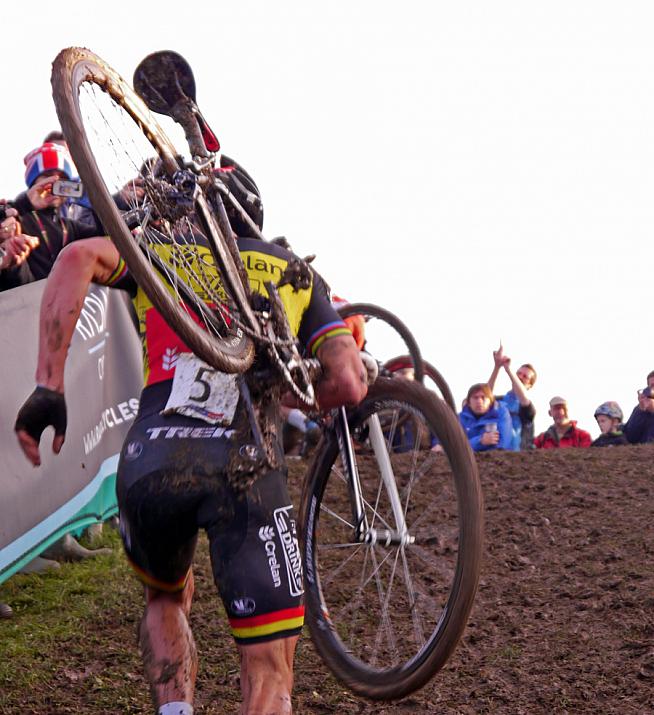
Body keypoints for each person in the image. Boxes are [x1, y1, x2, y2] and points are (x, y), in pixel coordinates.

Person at [14, 216, 367, 713]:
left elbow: (74, 257)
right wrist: (282, 394)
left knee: (165, 597)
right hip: (246, 465)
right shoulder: (291, 270)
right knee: (270, 669)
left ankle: (174, 709)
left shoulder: (161, 250)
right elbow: (348, 382)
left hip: (153, 459)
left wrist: (49, 386)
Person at [0, 142, 98, 291]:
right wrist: (27, 202)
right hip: (20, 299)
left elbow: (107, 234)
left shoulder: (70, 227)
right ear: (33, 182)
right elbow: (4, 215)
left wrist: (94, 201)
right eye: (47, 176)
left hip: (66, 301)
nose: (54, 182)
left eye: (62, 178)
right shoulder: (16, 211)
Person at [487, 343, 537, 450]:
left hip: (519, 460)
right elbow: (484, 396)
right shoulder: (499, 401)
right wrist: (497, 367)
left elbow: (524, 400)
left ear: (529, 385)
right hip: (496, 456)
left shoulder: (528, 410)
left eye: (525, 376)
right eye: (518, 373)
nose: (520, 377)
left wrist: (509, 370)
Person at [459, 383, 513, 452]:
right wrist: (480, 441)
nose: (479, 401)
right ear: (469, 402)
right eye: (475, 397)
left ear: (490, 401)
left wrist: (470, 445)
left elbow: (503, 444)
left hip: (497, 460)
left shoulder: (501, 414)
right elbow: (455, 446)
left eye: (483, 397)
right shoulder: (460, 419)